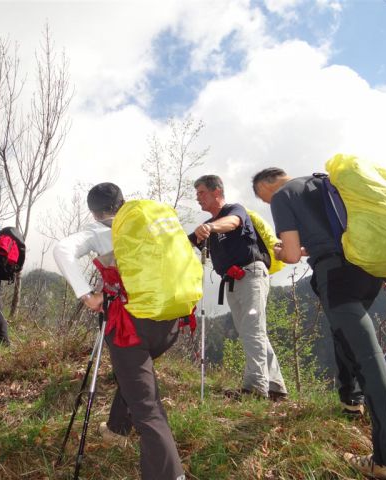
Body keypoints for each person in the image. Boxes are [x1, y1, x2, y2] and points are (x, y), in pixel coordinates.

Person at [252, 167, 386, 479]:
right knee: (347, 338)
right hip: (367, 271)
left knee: (369, 358)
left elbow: (293, 255)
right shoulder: (326, 183)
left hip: (336, 275)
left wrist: (278, 250)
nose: (266, 202)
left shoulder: (283, 196)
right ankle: (351, 402)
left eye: (262, 197)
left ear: (268, 184)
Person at [53, 183, 186, 480]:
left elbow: (62, 249)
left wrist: (88, 296)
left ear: (95, 211)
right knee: (133, 376)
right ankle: (117, 428)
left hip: (131, 326)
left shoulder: (100, 231)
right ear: (123, 204)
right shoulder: (152, 225)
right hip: (170, 320)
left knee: (147, 407)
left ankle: (169, 475)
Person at [188, 174, 287, 401]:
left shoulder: (234, 210)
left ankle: (255, 388)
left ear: (217, 192)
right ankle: (275, 387)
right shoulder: (208, 230)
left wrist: (210, 227)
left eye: (201, 192)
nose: (198, 198)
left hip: (251, 274)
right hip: (233, 281)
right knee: (250, 332)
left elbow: (233, 223)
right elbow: (185, 243)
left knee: (252, 329)